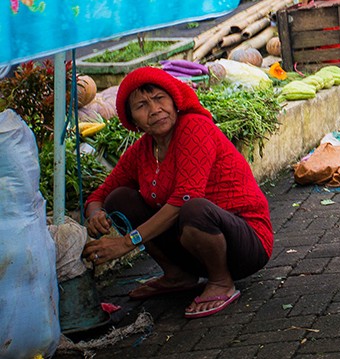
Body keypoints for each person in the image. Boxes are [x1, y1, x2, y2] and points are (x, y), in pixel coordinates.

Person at [83, 67, 273, 319]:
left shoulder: (194, 127)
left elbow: (186, 196)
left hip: (246, 243)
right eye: (141, 105)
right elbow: (101, 193)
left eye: (160, 98)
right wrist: (95, 212)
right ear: (133, 120)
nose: (154, 109)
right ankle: (177, 276)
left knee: (193, 207)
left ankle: (221, 282)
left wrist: (126, 243)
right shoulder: (142, 151)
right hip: (194, 245)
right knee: (119, 198)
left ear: (174, 101)